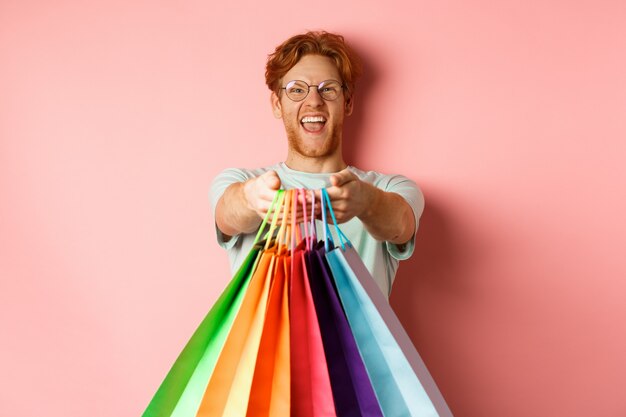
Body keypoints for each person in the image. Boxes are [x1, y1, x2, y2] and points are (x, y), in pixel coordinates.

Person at [210, 31, 424, 297]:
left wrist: (367, 202)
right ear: (277, 104)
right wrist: (250, 198)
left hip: (358, 342)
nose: (313, 101)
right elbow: (227, 214)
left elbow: (401, 224)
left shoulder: (388, 187)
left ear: (347, 103)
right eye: (296, 90)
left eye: (328, 89)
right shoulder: (240, 181)